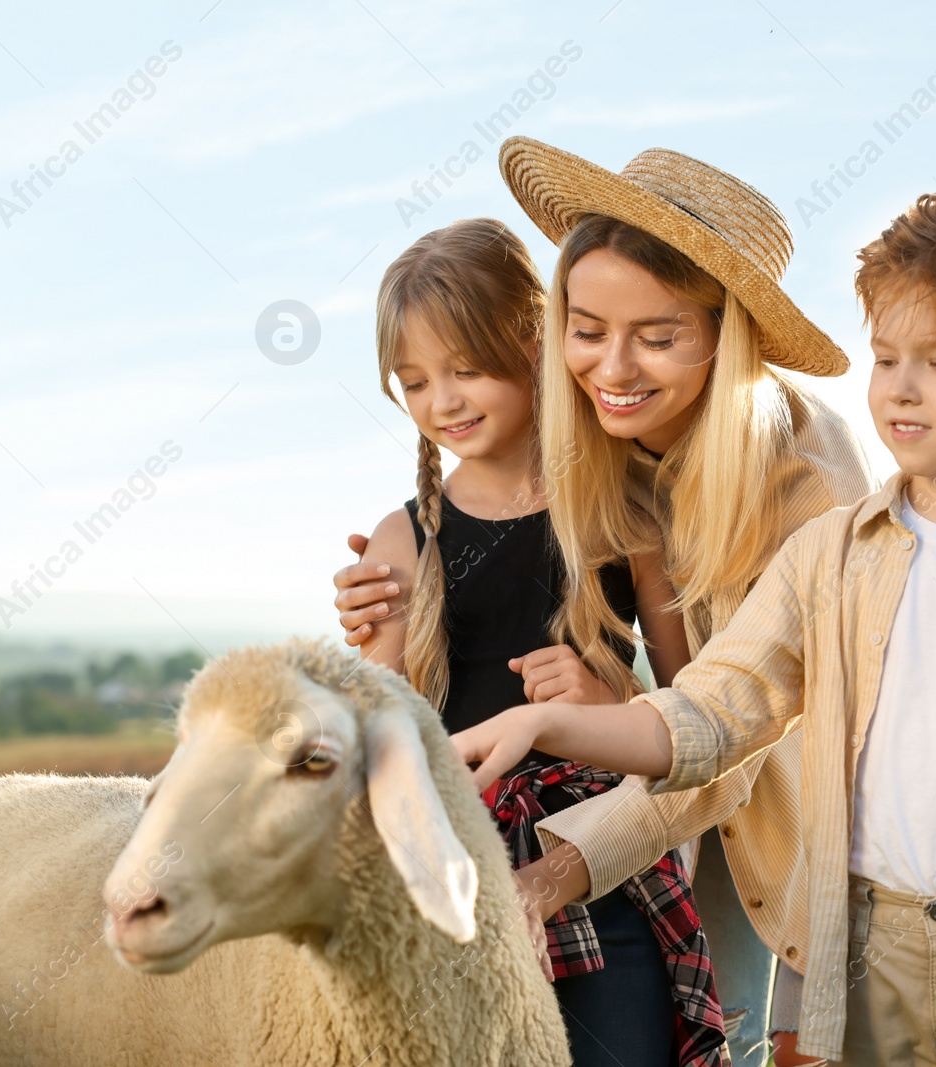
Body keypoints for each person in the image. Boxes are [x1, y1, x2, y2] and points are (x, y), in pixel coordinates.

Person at [450, 193, 936, 1067]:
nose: (902, 387)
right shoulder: (801, 541)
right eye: (886, 358)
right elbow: (712, 708)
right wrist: (421, 587)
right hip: (863, 928)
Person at [337, 138, 875, 1065]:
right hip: (606, 784)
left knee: (727, 1022)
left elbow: (732, 730)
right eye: (586, 330)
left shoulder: (804, 491)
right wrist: (398, 597)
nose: (612, 369)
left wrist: (568, 828)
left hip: (754, 808)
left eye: (658, 338)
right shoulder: (583, 430)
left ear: (725, 338)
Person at [348, 216, 726, 1067]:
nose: (442, 400)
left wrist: (607, 704)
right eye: (414, 382)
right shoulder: (401, 540)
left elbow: (702, 706)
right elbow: (385, 733)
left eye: (465, 368)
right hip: (455, 867)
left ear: (533, 342)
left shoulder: (627, 510)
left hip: (599, 862)